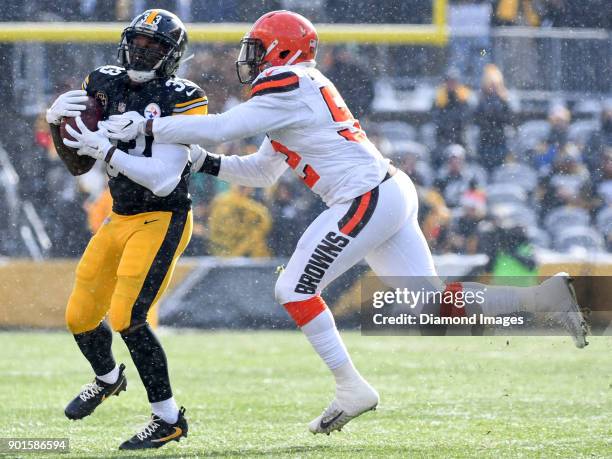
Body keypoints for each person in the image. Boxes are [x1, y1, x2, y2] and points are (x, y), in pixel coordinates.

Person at [98, 10, 588, 435]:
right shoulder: (293, 94)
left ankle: (352, 388)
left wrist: (149, 124)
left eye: (259, 48)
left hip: (365, 196)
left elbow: (229, 126)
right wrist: (202, 161)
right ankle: (542, 303)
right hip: (383, 192)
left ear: (282, 51)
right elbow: (265, 171)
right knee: (429, 308)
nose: (250, 58)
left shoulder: (286, 84)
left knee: (293, 290)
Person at [46, 9, 207, 450]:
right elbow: (79, 163)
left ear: (171, 54)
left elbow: (163, 178)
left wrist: (108, 152)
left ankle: (168, 418)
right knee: (79, 316)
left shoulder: (184, 95)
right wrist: (55, 123)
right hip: (119, 216)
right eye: (137, 41)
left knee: (127, 318)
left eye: (154, 45)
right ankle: (108, 378)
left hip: (163, 216)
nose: (142, 50)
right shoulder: (103, 80)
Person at [474, 64, 512, 172]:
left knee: (500, 168)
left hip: (499, 139)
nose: (493, 87)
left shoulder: (503, 101)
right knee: (485, 168)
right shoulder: (481, 101)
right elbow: (477, 119)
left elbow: (509, 119)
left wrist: (497, 115)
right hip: (485, 139)